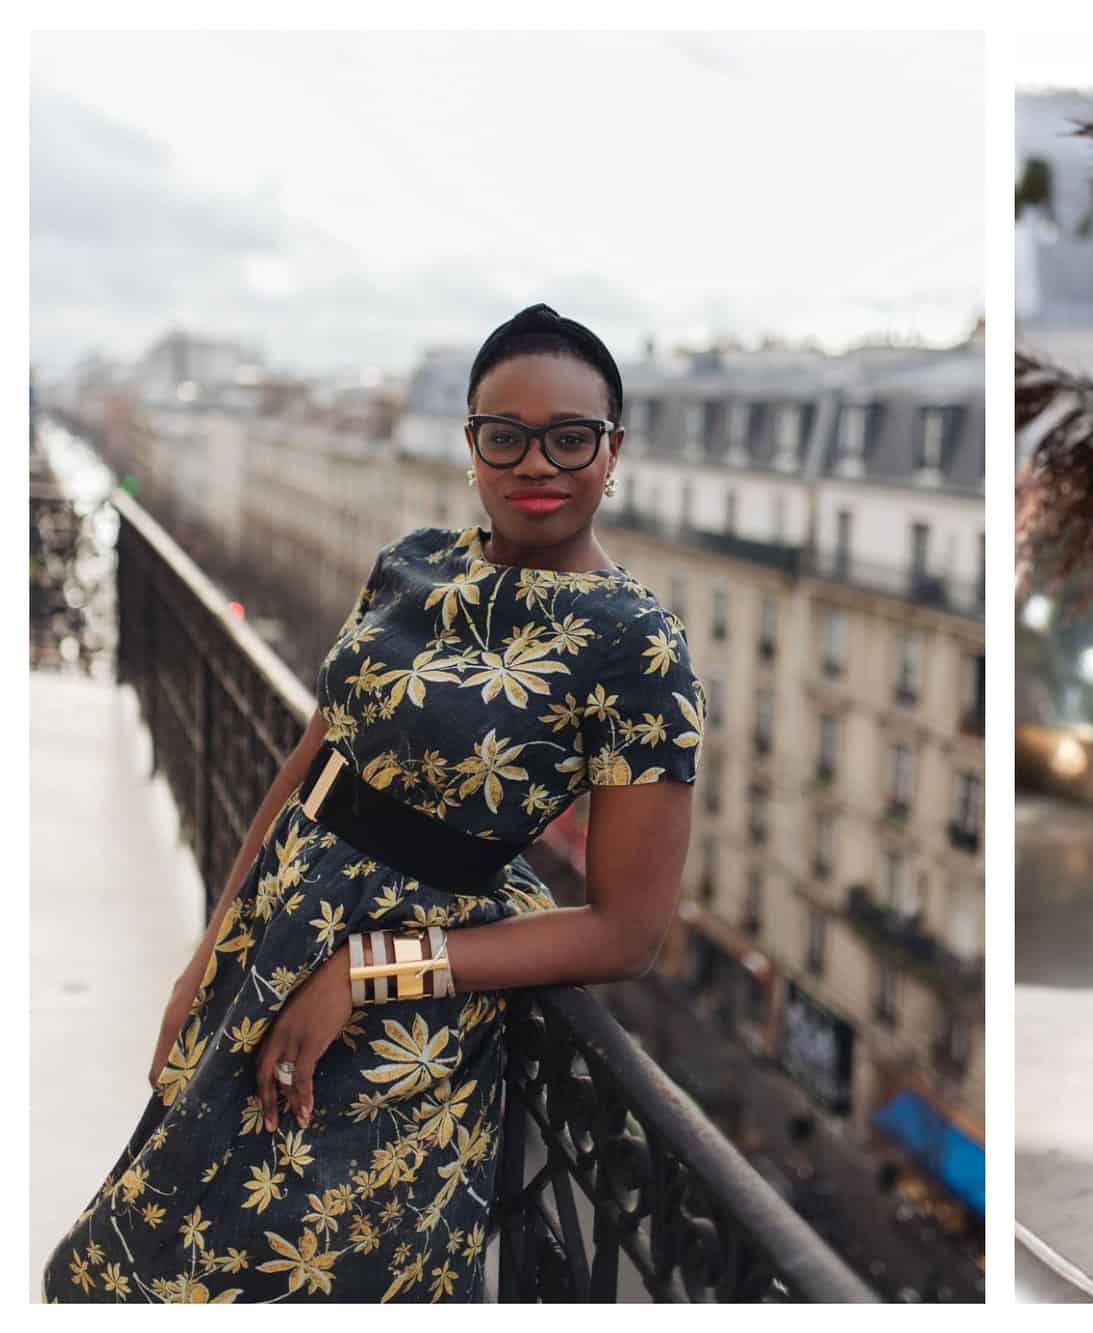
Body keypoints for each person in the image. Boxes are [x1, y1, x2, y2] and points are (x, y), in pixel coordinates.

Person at [44, 304, 704, 1303]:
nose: (538, 463)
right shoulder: (414, 560)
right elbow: (308, 773)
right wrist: (205, 957)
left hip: (390, 1030)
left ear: (613, 452)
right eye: (505, 434)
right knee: (126, 1261)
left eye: (572, 437)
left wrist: (371, 968)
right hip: (266, 952)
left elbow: (625, 932)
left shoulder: (637, 648)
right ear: (470, 444)